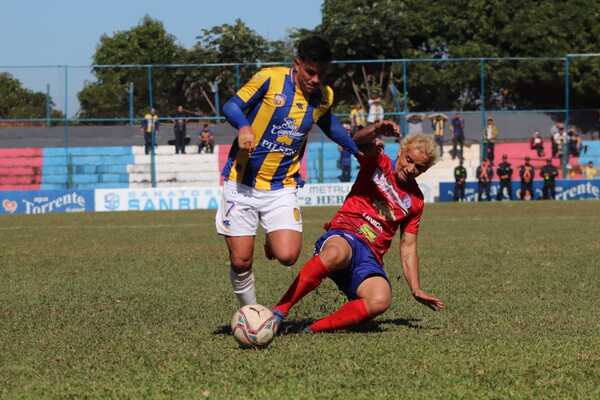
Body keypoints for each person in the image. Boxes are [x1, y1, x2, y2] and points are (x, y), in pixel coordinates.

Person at [216, 36, 362, 306]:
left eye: (322, 73)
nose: (316, 79)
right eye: (310, 72)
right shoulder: (270, 79)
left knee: (288, 256)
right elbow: (231, 105)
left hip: (281, 186)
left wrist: (357, 150)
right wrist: (244, 126)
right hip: (242, 182)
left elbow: (331, 126)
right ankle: (251, 312)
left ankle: (272, 239)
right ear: (297, 64)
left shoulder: (323, 96)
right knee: (240, 260)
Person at [271, 130, 444, 334]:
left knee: (381, 299)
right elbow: (357, 142)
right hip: (345, 235)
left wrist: (415, 288)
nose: (411, 169)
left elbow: (408, 245)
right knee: (336, 253)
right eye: (409, 160)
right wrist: (377, 129)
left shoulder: (416, 200)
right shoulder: (378, 162)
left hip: (369, 257)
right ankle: (278, 312)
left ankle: (311, 330)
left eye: (419, 167)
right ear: (400, 151)